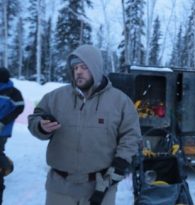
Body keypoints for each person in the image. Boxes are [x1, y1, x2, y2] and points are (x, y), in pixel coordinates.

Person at [28, 44, 142, 205]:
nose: (78, 72)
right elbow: (34, 118)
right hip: (60, 188)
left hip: (100, 188)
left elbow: (131, 136)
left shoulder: (120, 101)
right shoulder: (55, 97)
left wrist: (119, 166)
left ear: (95, 68)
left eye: (83, 67)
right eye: (75, 68)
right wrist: (41, 126)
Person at [0, 67, 25, 204]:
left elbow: (20, 108)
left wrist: (4, 121)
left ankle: (7, 166)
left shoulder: (13, 92)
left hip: (2, 130)